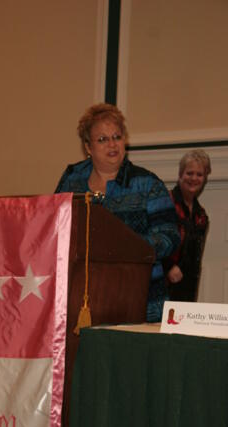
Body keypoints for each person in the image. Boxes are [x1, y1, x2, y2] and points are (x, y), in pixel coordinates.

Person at [55, 102, 180, 322]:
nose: (112, 144)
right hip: (82, 300)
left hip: (141, 299)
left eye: (117, 137)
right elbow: (55, 228)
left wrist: (125, 249)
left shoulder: (147, 183)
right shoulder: (71, 181)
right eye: (102, 139)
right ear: (88, 147)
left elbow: (169, 235)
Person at [164, 149, 210, 302]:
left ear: (204, 179)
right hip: (162, 286)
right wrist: (168, 267)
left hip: (187, 290)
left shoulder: (201, 216)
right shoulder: (165, 204)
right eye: (189, 173)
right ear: (180, 175)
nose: (194, 178)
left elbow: (194, 258)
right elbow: (151, 244)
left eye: (199, 174)